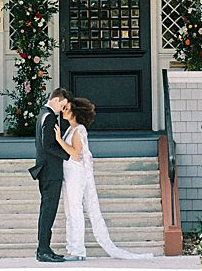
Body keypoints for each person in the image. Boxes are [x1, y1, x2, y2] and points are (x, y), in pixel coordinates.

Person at [55, 96, 155, 260]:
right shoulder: (70, 129)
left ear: (75, 112)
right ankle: (71, 248)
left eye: (67, 108)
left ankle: (78, 250)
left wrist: (58, 140)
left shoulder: (79, 130)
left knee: (75, 211)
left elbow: (76, 154)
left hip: (76, 175)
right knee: (70, 212)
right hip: (69, 175)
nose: (64, 110)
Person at [29, 87, 71, 263]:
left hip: (46, 170)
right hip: (49, 171)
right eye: (63, 105)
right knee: (48, 212)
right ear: (56, 100)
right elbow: (47, 145)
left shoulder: (43, 114)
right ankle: (43, 250)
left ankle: (45, 248)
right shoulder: (49, 117)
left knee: (47, 211)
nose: (63, 109)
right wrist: (68, 155)